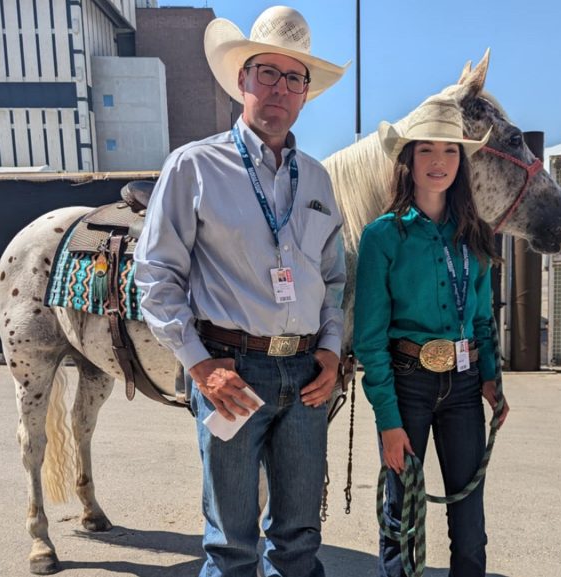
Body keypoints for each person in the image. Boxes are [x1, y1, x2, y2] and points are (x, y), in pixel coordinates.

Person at [133, 6, 349, 577]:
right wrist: (201, 367)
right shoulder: (193, 167)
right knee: (231, 545)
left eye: (293, 77)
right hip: (231, 371)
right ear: (242, 81)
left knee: (300, 540)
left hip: (305, 375)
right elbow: (155, 276)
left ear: (305, 93)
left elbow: (333, 279)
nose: (280, 87)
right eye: (267, 73)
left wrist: (330, 350)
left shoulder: (319, 180)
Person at [353, 94, 510, 577]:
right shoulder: (383, 236)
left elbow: (483, 323)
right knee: (401, 519)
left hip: (464, 390)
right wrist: (388, 420)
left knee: (470, 526)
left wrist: (491, 379)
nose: (438, 161)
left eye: (449, 151)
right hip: (407, 387)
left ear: (461, 162)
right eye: (426, 150)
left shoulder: (475, 234)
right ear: (408, 160)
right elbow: (370, 337)